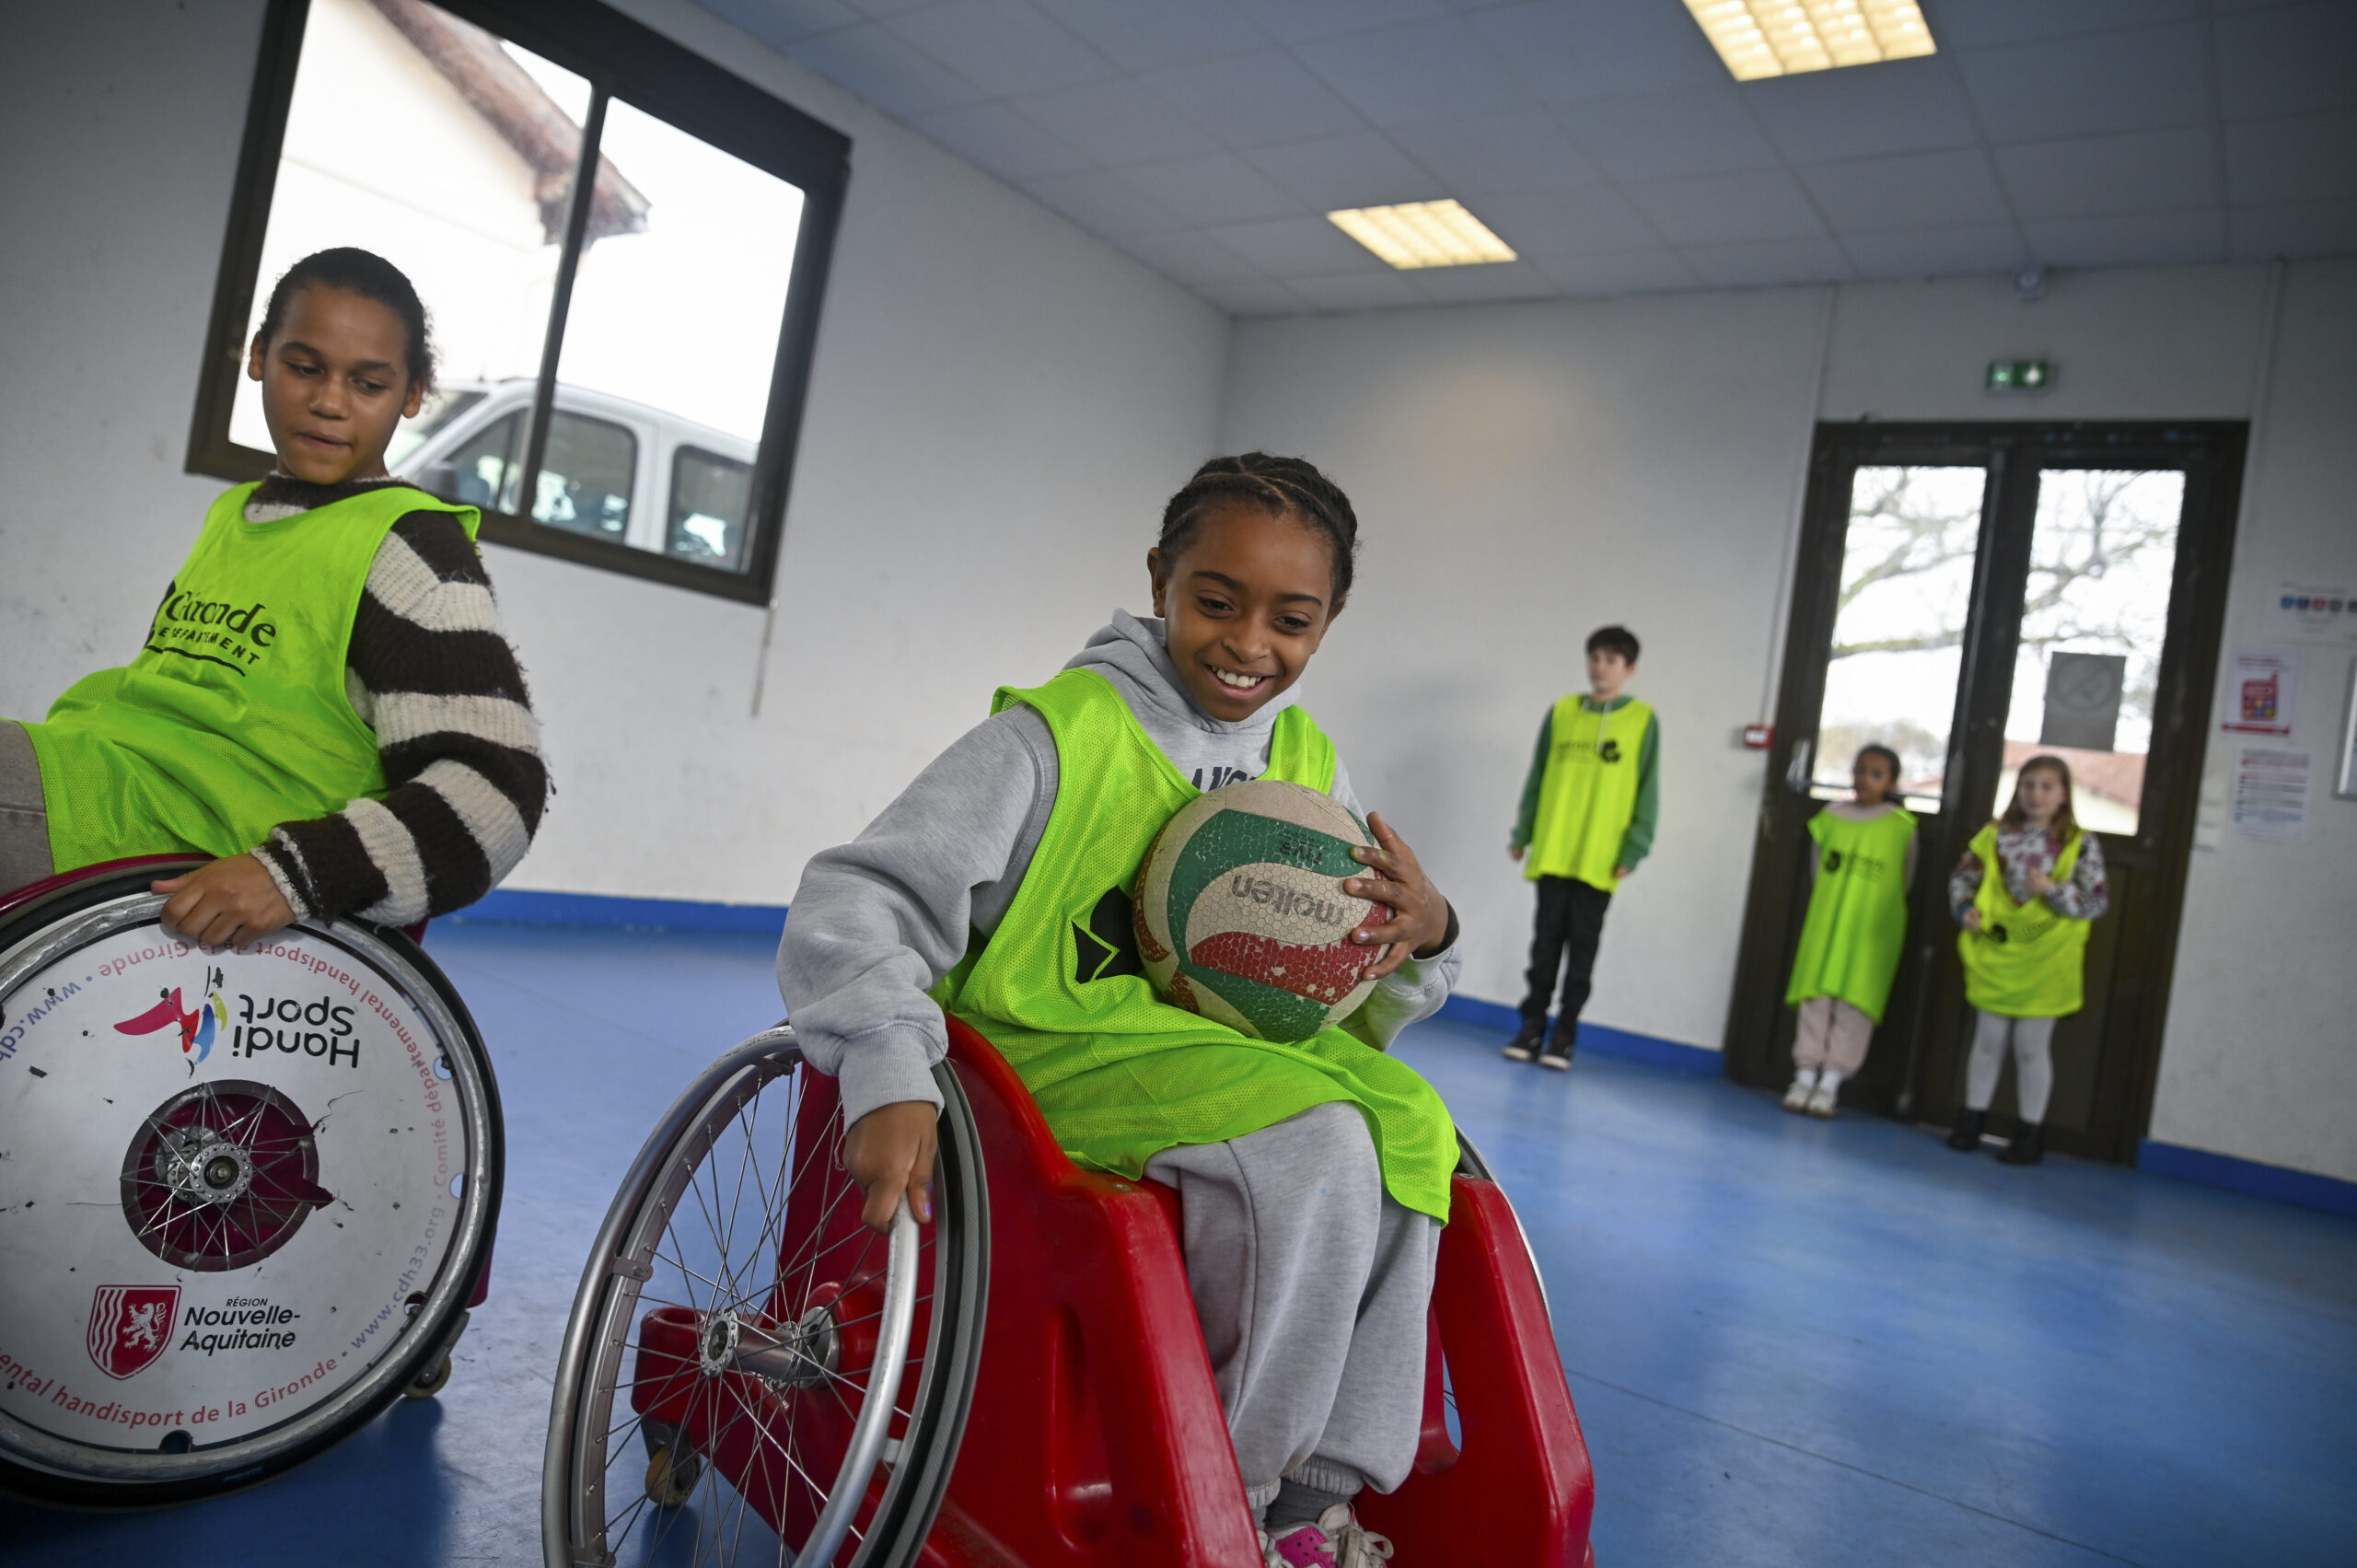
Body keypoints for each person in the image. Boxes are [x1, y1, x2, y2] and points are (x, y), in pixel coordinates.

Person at [779, 454, 1460, 1567]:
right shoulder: (1054, 735)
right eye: (1215, 600)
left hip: (1203, 1056)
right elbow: (858, 898)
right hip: (1044, 1048)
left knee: (1416, 1125)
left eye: (1290, 618)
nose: (1247, 644)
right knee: (1321, 1145)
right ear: (1159, 577)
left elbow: (1334, 1005)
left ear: (1331, 619)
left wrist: (1419, 935)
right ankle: (1219, 1502)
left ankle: (1311, 1495)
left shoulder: (1306, 765)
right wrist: (888, 1061)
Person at [1, 248, 547, 938]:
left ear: (413, 396)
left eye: (369, 384)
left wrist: (292, 874)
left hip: (174, 840)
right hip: (105, 778)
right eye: (305, 366)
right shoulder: (235, 517)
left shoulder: (407, 546)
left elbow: (495, 792)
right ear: (259, 356)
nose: (328, 401)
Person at [1503, 624, 1658, 1069]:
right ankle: (1531, 1027)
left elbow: (1649, 790)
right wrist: (1523, 834)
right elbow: (1537, 777)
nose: (1600, 667)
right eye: (1595, 657)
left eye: (1611, 660)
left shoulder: (1643, 721)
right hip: (1554, 851)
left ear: (1629, 669)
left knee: (1581, 954)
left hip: (1600, 860)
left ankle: (1564, 1036)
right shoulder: (1562, 713)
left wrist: (1634, 849)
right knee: (1544, 947)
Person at [1945, 756, 2108, 1166]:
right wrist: (1964, 909)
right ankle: (1971, 1122)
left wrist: (2054, 890)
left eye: (2047, 786)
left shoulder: (2079, 843)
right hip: (1998, 955)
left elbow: (2096, 902)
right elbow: (1963, 877)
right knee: (1988, 1043)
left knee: (2031, 1049)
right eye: (2028, 784)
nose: (2036, 794)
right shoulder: (1994, 836)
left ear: (2064, 794)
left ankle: (2029, 1134)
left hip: (2047, 960)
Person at [1781, 744, 1917, 1117]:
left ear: (1891, 781)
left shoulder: (1901, 827)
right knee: (1816, 997)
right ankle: (1805, 1075)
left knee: (1855, 1004)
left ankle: (1830, 1084)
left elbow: (1904, 880)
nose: (1864, 780)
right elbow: (1815, 872)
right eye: (1859, 770)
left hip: (1871, 933)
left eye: (1876, 774)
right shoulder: (1829, 818)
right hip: (1827, 923)